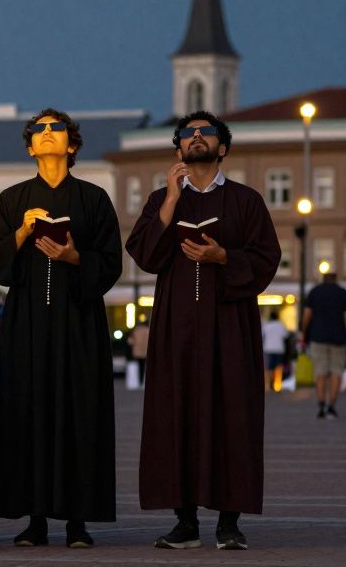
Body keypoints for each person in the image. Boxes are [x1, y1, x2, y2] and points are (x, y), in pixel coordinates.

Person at [126, 110, 280, 550]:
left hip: (230, 326)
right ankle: (185, 521)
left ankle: (229, 523)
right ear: (177, 148)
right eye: (187, 134)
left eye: (205, 133)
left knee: (232, 414)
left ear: (222, 147)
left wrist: (223, 258)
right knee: (177, 413)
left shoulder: (246, 200)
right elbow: (144, 255)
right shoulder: (161, 199)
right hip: (176, 327)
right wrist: (172, 202)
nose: (196, 138)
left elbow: (267, 259)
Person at [0, 109, 120, 548]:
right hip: (27, 325)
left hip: (80, 327)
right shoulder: (13, 198)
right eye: (40, 130)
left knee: (80, 414)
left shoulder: (93, 199)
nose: (49, 134)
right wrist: (20, 233)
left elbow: (112, 262)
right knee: (28, 413)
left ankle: (78, 521)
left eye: (58, 129)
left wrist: (76, 259)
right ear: (30, 146)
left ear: (72, 145)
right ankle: (35, 519)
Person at [301, 270, 346, 418]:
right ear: (335, 279)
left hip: (318, 337)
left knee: (320, 371)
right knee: (336, 372)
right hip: (339, 338)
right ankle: (331, 406)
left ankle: (321, 405)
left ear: (323, 279)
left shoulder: (315, 292)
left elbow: (307, 315)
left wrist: (303, 333)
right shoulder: (342, 293)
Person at [261, 312, 288, 393]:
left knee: (267, 368)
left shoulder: (266, 325)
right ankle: (277, 386)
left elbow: (262, 336)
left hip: (268, 349)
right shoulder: (281, 325)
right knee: (278, 368)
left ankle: (267, 385)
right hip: (279, 349)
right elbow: (286, 336)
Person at [127, 320, 150, 389]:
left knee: (139, 367)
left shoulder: (136, 331)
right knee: (144, 367)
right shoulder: (148, 330)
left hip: (137, 352)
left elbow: (130, 341)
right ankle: (143, 382)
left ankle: (139, 382)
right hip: (146, 352)